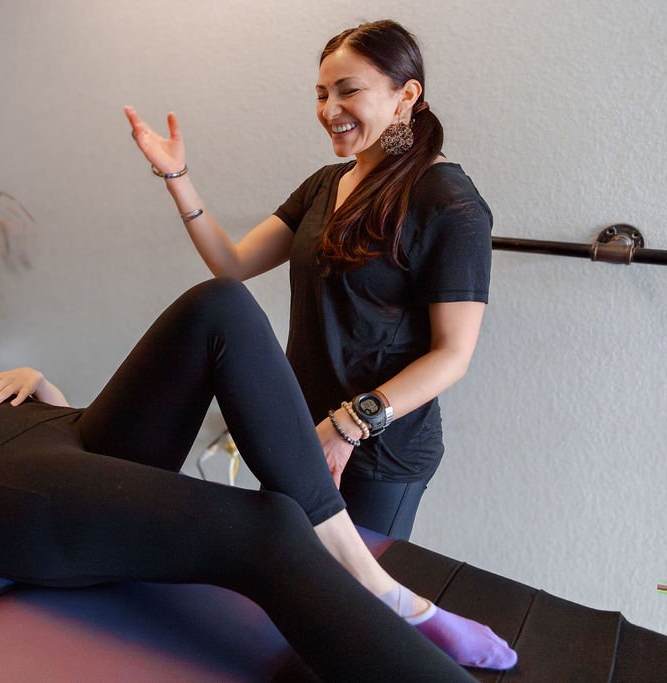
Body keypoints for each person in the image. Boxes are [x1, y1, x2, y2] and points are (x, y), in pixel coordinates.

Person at [0, 278, 516, 679]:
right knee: (263, 525)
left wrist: (35, 378)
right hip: (1, 493)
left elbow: (62, 437)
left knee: (219, 304)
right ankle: (369, 585)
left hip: (67, 440)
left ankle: (346, 551)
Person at [125, 20, 492, 541]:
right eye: (322, 94)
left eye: (349, 91)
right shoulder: (327, 184)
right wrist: (177, 178)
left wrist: (351, 424)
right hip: (301, 434)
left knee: (348, 602)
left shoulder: (450, 203)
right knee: (275, 581)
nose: (329, 110)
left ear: (406, 95)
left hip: (378, 452)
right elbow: (231, 265)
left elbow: (452, 355)